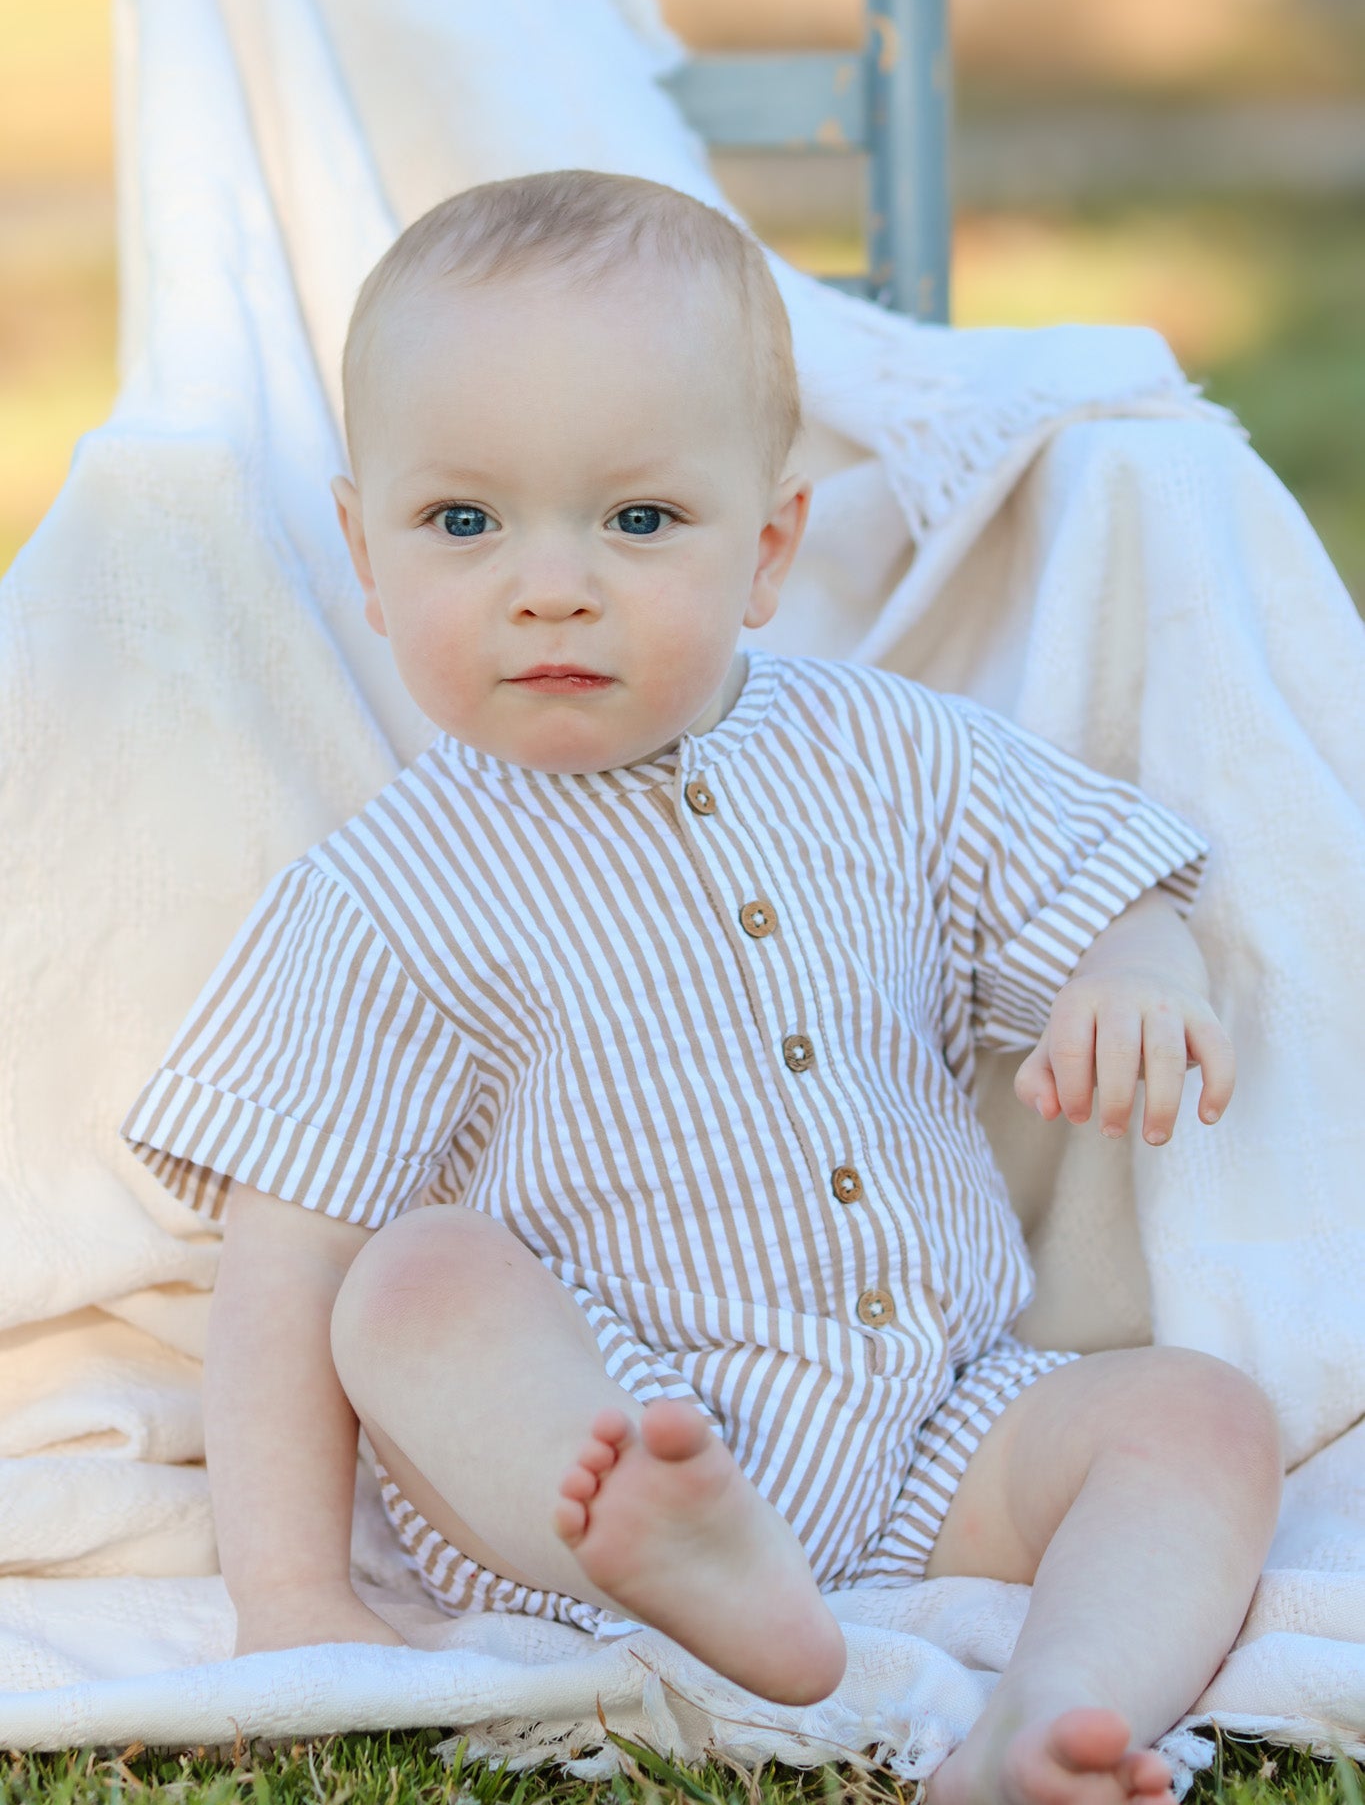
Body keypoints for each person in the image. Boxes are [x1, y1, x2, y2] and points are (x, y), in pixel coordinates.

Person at [119, 171, 1282, 1805]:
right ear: (365, 559)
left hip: (932, 1426)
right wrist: (291, 1601)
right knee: (411, 1282)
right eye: (464, 523)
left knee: (1200, 1420)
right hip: (592, 1460)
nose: (550, 584)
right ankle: (689, 1564)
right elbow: (278, 1270)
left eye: (639, 521)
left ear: (767, 547)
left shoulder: (887, 750)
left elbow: (1100, 872)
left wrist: (1131, 969)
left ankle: (1049, 1716)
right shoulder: (387, 891)